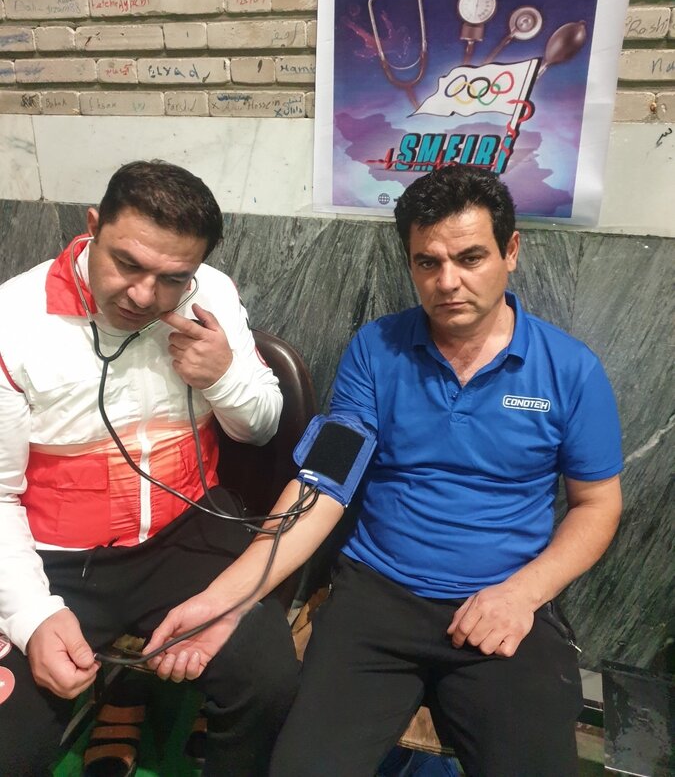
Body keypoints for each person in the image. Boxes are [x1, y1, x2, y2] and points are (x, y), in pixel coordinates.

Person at [143, 164, 623, 777]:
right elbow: (323, 485)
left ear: (511, 252)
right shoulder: (377, 351)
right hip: (376, 597)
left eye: (470, 258)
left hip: (502, 599)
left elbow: (597, 505)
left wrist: (523, 594)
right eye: (427, 262)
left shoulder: (570, 370)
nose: (447, 281)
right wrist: (227, 600)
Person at [0, 160, 299, 777]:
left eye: (172, 278)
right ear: (93, 226)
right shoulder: (14, 322)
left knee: (268, 681)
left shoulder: (211, 294)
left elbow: (262, 426)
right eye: (126, 263)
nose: (143, 295)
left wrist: (224, 376)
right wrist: (32, 615)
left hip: (187, 530)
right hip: (51, 555)